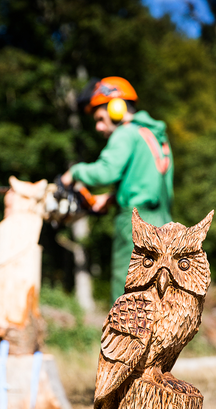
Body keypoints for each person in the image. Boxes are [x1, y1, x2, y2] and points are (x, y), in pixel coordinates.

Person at [60, 76, 174, 304]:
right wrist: (114, 198)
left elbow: (106, 172)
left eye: (100, 119)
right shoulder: (153, 134)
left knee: (127, 298)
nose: (98, 127)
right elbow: (148, 185)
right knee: (157, 300)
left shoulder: (126, 133)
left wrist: (74, 172)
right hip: (165, 225)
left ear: (116, 108)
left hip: (135, 226)